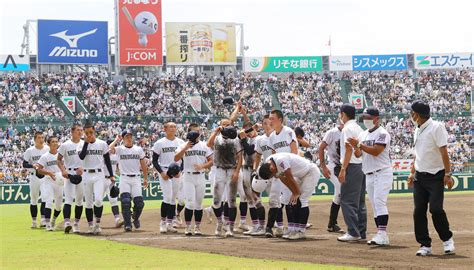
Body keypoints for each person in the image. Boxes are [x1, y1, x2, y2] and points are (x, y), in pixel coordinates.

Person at [406, 100, 455, 256]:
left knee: (436, 209)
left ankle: (447, 240)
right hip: (420, 176)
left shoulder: (436, 127)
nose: (410, 115)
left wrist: (448, 174)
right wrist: (412, 172)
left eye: (412, 112)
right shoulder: (417, 129)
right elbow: (418, 154)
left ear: (417, 114)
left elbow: (444, 152)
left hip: (436, 176)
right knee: (418, 211)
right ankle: (424, 244)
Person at [348, 107, 393, 246]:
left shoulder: (382, 133)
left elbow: (376, 151)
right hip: (369, 173)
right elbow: (358, 155)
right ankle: (381, 234)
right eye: (364, 117)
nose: (365, 120)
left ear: (376, 119)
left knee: (379, 202)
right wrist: (354, 147)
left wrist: (359, 145)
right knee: (374, 204)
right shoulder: (363, 134)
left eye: (368, 117)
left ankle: (382, 234)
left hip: (382, 171)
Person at [258, 152, 320, 240]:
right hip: (300, 175)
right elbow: (283, 179)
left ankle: (301, 231)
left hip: (310, 172)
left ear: (271, 168)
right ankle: (294, 229)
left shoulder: (280, 160)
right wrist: (293, 192)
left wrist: (296, 193)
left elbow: (289, 177)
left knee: (302, 200)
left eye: (272, 175)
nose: (274, 176)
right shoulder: (270, 162)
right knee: (293, 201)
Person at [175, 123, 213, 236]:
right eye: (195, 131)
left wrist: (203, 166)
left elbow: (212, 160)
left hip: (200, 176)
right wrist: (185, 148)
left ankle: (197, 227)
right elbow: (176, 158)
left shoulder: (204, 145)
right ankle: (188, 227)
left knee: (199, 203)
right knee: (190, 203)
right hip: (188, 176)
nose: (197, 133)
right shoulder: (183, 145)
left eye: (198, 131)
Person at [337, 104, 367, 242]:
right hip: (361, 166)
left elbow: (348, 149)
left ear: (343, 114)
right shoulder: (359, 128)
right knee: (360, 202)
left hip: (352, 166)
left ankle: (353, 232)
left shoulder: (347, 128)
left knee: (347, 201)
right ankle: (361, 232)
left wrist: (343, 169)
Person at [207, 119, 243, 237]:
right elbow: (209, 144)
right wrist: (216, 131)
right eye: (224, 125)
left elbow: (240, 156)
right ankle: (220, 222)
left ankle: (230, 228)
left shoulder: (236, 139)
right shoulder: (217, 138)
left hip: (231, 169)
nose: (226, 127)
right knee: (216, 202)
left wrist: (237, 172)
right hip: (219, 170)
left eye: (228, 125)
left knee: (231, 201)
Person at [78, 122, 115, 234]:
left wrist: (111, 175)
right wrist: (86, 143)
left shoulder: (102, 144)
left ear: (94, 131)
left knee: (98, 200)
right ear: (84, 132)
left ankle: (97, 224)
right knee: (88, 203)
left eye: (91, 132)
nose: (89, 134)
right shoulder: (81, 144)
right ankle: (90, 226)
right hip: (86, 174)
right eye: (87, 132)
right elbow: (81, 156)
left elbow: (107, 160)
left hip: (99, 174)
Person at [109, 130, 148, 232]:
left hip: (136, 178)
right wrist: (116, 140)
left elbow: (143, 164)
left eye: (130, 136)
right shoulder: (120, 149)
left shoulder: (138, 149)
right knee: (125, 202)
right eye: (127, 136)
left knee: (139, 203)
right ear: (123, 138)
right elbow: (109, 149)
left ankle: (135, 218)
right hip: (124, 178)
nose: (129, 138)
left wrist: (145, 178)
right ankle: (127, 224)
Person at [268, 109, 299, 238]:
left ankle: (294, 228)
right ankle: (290, 228)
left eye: (272, 118)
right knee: (285, 200)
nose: (270, 121)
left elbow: (294, 150)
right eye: (269, 118)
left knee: (292, 199)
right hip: (281, 172)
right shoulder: (271, 136)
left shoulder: (288, 132)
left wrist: (289, 169)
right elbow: (273, 155)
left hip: (291, 169)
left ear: (280, 120)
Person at [152, 122, 185, 233]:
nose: (173, 128)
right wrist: (161, 173)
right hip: (165, 171)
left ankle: (170, 223)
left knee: (172, 199)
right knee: (167, 197)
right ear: (165, 129)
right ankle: (162, 223)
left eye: (175, 126)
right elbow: (154, 161)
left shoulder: (180, 142)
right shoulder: (159, 143)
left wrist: (180, 170)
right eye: (170, 126)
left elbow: (184, 159)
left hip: (176, 172)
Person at [57, 124, 84, 233]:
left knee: (79, 200)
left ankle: (76, 224)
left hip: (82, 173)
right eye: (78, 130)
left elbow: (89, 159)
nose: (80, 132)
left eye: (81, 130)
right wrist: (63, 170)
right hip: (69, 173)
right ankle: (67, 223)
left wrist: (83, 167)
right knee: (68, 199)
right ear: (72, 132)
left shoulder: (84, 144)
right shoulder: (65, 145)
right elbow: (58, 160)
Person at [319, 122, 345, 233]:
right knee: (341, 191)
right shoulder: (332, 132)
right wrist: (323, 166)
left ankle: (331, 224)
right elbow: (321, 148)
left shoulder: (349, 132)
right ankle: (348, 223)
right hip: (332, 166)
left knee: (338, 195)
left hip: (342, 166)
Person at [36, 136, 63, 231]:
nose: (55, 143)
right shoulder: (45, 156)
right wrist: (49, 173)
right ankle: (47, 224)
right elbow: (39, 170)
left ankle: (53, 220)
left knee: (59, 206)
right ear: (48, 144)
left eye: (56, 141)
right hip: (49, 181)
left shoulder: (61, 155)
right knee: (49, 201)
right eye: (53, 142)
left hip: (60, 182)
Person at [23, 131, 49, 228]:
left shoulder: (47, 149)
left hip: (44, 176)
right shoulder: (30, 150)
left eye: (42, 137)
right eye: (39, 138)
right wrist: (32, 165)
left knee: (45, 197)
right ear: (35, 140)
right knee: (34, 199)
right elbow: (24, 164)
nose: (41, 139)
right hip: (34, 176)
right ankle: (34, 221)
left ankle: (43, 220)